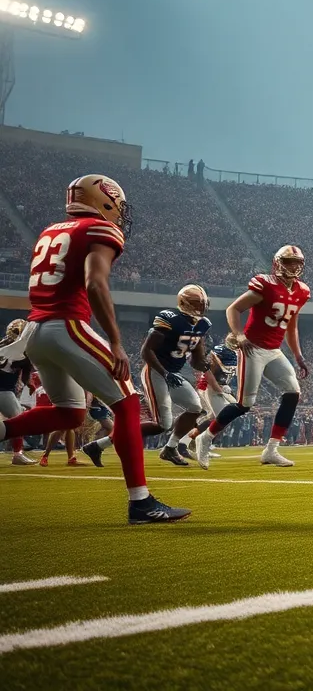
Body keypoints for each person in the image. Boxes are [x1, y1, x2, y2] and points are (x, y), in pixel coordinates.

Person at [0, 174, 189, 523]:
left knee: (70, 413)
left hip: (35, 330)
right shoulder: (98, 230)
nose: (119, 213)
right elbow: (94, 282)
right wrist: (116, 341)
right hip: (67, 324)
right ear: (105, 200)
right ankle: (141, 502)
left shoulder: (50, 231)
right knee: (128, 403)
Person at [195, 245, 312, 469]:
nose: (294, 267)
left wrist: (298, 355)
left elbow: (291, 327)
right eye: (289, 262)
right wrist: (239, 335)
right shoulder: (265, 284)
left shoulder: (302, 291)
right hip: (253, 349)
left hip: (274, 350)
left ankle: (271, 450)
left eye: (297, 262)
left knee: (293, 392)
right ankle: (205, 438)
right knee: (244, 404)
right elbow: (233, 309)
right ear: (278, 263)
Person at [83, 285, 212, 468]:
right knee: (162, 424)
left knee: (195, 407)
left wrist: (204, 364)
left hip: (173, 373)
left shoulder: (202, 325)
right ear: (184, 303)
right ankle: (98, 446)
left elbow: (196, 359)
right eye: (195, 303)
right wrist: (165, 373)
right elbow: (146, 351)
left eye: (201, 303)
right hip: (155, 372)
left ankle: (170, 448)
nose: (200, 307)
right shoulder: (170, 320)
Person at [182, 334, 240, 461]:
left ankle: (189, 441)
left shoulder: (235, 354)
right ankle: (199, 443)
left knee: (215, 417)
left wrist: (224, 385)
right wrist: (220, 388)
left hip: (218, 385)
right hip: (209, 386)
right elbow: (210, 372)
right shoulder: (220, 351)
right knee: (221, 417)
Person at [0, 319, 36, 464]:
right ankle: (17, 454)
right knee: (19, 420)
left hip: (4, 390)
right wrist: (30, 383)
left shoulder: (2, 344)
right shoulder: (23, 352)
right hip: (3, 390)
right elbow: (26, 373)